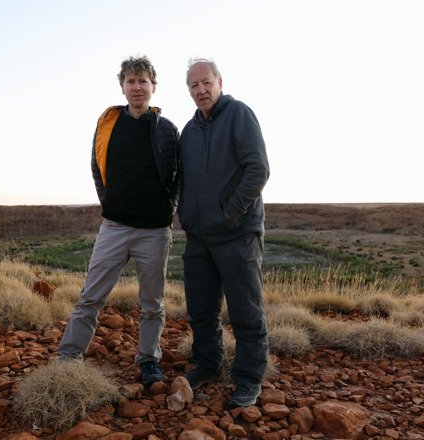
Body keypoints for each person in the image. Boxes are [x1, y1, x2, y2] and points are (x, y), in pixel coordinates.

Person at [57, 55, 181, 387]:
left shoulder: (166, 129)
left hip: (154, 232)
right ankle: (68, 356)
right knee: (90, 297)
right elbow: (97, 169)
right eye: (131, 81)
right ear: (122, 87)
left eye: (143, 81)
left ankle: (149, 360)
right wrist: (109, 202)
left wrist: (168, 209)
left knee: (152, 304)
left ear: (153, 87)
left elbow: (178, 176)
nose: (137, 87)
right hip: (114, 227)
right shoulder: (108, 123)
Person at [178, 58, 270, 407]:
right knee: (201, 310)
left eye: (206, 83)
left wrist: (230, 212)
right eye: (193, 86)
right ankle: (208, 365)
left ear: (219, 82)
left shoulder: (239, 114)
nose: (200, 90)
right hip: (199, 237)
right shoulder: (189, 131)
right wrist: (185, 214)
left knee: (245, 311)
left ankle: (248, 379)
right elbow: (183, 180)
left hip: (237, 234)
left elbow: (258, 169)